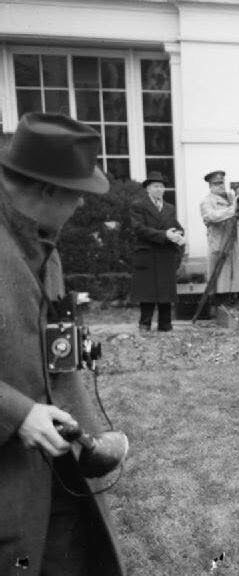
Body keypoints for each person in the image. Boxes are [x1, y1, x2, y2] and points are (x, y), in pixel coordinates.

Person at [0, 112, 124, 575]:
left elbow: (55, 352)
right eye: (77, 194)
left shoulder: (42, 240)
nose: (79, 207)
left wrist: (92, 441)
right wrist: (16, 413)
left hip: (56, 471)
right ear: (48, 189)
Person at [130, 170, 185, 331]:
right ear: (147, 188)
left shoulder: (169, 208)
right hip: (147, 253)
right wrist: (164, 235)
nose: (159, 190)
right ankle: (145, 323)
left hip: (165, 254)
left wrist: (179, 234)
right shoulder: (138, 206)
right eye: (155, 186)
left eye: (161, 187)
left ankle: (165, 324)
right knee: (147, 292)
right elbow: (139, 229)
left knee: (165, 292)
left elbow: (176, 226)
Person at [200, 170, 239, 304]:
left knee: (236, 274)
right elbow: (212, 216)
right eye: (217, 184)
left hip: (235, 242)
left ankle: (236, 300)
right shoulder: (207, 201)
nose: (221, 186)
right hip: (219, 243)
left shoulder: (232, 197)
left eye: (222, 183)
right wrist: (233, 209)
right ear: (210, 185)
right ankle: (218, 305)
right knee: (219, 277)